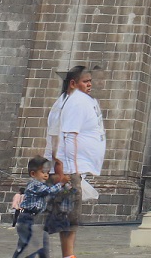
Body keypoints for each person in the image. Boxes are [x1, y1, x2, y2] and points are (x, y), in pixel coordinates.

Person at [44, 65, 106, 258]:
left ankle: (68, 254)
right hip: (69, 170)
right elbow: (68, 137)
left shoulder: (67, 101)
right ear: (73, 83)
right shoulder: (75, 103)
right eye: (85, 81)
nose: (90, 85)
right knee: (69, 216)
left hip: (67, 169)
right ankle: (68, 255)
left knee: (69, 216)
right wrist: (71, 170)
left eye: (90, 81)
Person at [13, 156, 65, 258]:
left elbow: (50, 194)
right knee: (25, 245)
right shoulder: (35, 184)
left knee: (43, 245)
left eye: (47, 172)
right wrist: (61, 183)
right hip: (27, 219)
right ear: (33, 174)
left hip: (37, 219)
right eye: (43, 172)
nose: (46, 175)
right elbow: (49, 191)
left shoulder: (40, 185)